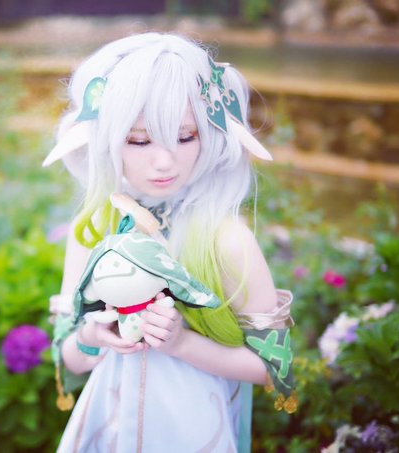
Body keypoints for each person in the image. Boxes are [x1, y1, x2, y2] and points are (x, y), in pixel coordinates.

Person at [44, 32, 296, 453]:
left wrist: (183, 343)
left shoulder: (226, 240)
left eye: (185, 136)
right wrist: (94, 334)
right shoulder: (95, 230)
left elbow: (272, 368)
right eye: (139, 140)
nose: (164, 161)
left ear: (211, 135)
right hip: (107, 428)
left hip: (196, 433)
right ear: (106, 139)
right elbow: (68, 357)